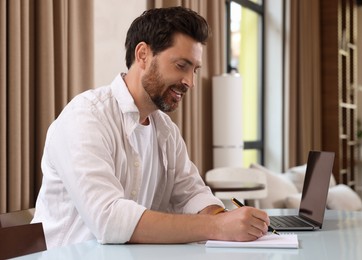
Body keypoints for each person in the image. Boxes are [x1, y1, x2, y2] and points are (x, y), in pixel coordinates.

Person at [32, 6, 270, 249]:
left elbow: (191, 194)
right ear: (143, 55)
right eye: (181, 66)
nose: (190, 81)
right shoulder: (85, 117)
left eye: (194, 70)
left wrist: (225, 218)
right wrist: (217, 227)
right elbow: (109, 218)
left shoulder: (166, 131)